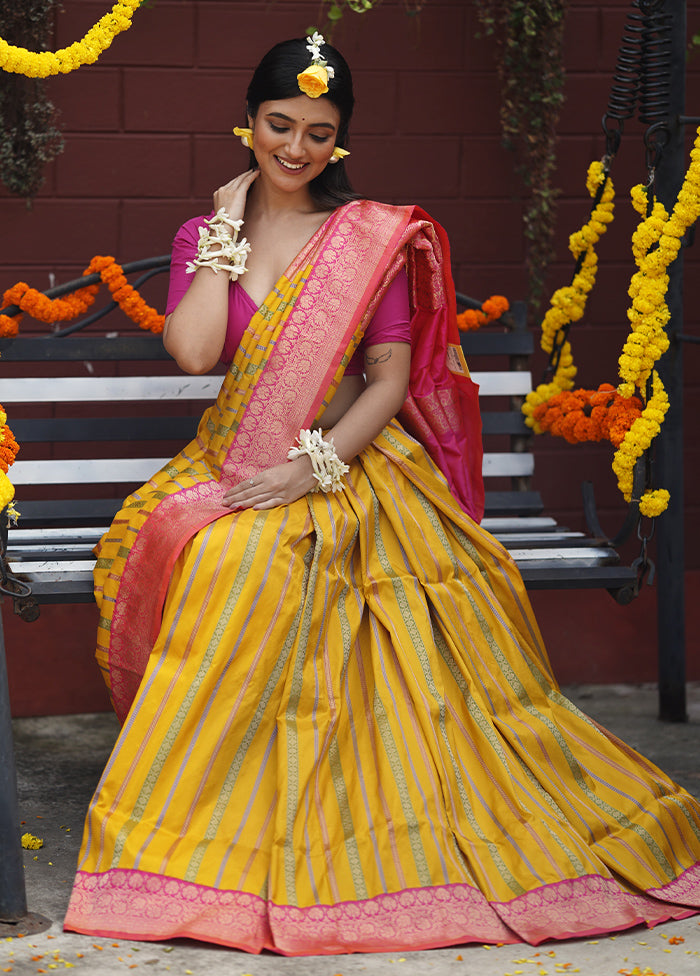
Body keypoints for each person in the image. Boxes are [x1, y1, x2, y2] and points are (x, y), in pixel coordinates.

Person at [64, 35, 700, 955]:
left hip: (347, 466)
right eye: (279, 126)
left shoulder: (370, 239)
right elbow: (196, 354)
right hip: (232, 457)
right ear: (247, 124)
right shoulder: (210, 234)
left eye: (318, 132)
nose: (295, 148)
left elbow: (389, 382)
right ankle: (219, 812)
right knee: (215, 553)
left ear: (340, 140)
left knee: (260, 564)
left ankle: (356, 813)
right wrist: (225, 234)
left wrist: (310, 468)